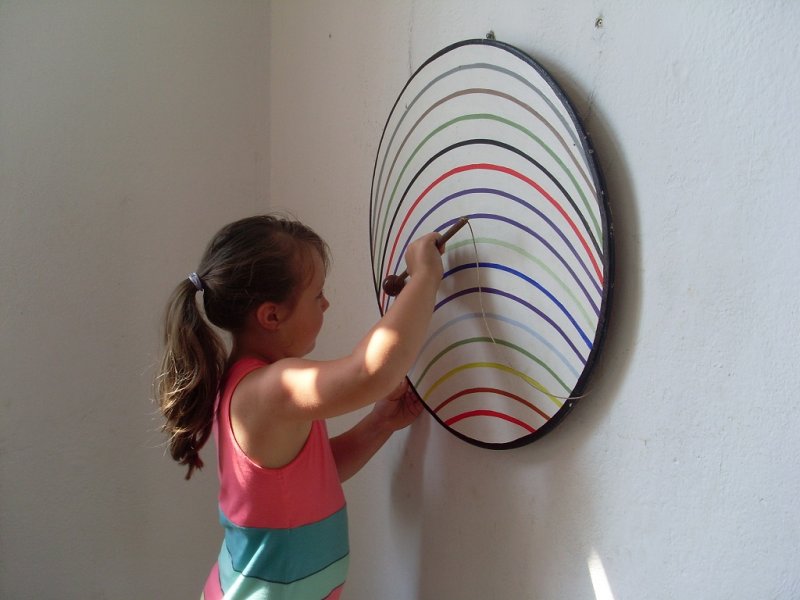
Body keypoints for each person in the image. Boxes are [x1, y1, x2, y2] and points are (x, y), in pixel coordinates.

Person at [155, 214, 444, 599]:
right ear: (272, 315)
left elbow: (312, 478)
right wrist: (424, 276)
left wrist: (378, 425)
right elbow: (370, 373)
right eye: (317, 295)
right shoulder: (268, 390)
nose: (326, 303)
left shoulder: (255, 385)